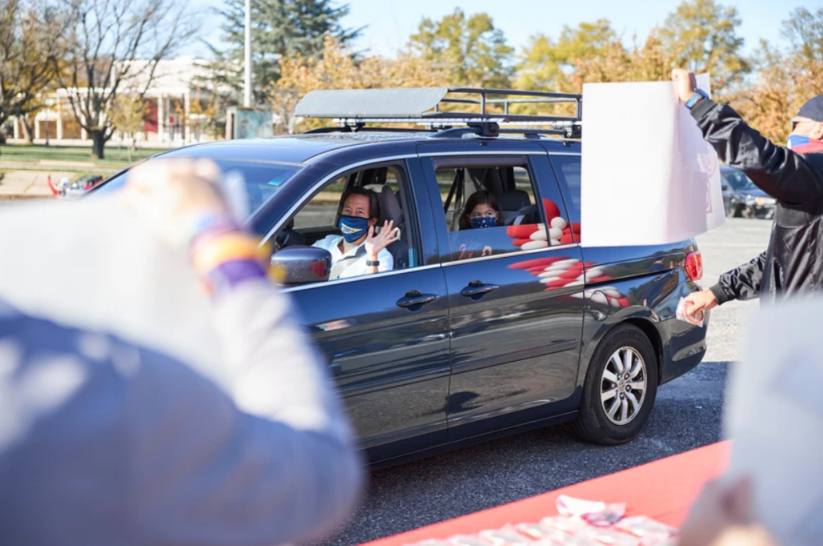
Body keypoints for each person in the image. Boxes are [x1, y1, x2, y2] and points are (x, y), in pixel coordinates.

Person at [0, 159, 364, 545]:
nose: (351, 218)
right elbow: (313, 476)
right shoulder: (99, 387)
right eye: (349, 211)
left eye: (361, 213)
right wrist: (224, 249)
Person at [670, 70, 823, 318]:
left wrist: (697, 103)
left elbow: (760, 157)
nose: (791, 134)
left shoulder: (815, 170)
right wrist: (717, 293)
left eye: (796, 125)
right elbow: (781, 259)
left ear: (818, 129)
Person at [312, 186, 400, 280]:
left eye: (359, 212)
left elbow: (374, 291)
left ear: (372, 221)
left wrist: (372, 256)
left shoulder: (381, 256)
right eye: (347, 210)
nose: (351, 216)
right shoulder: (326, 243)